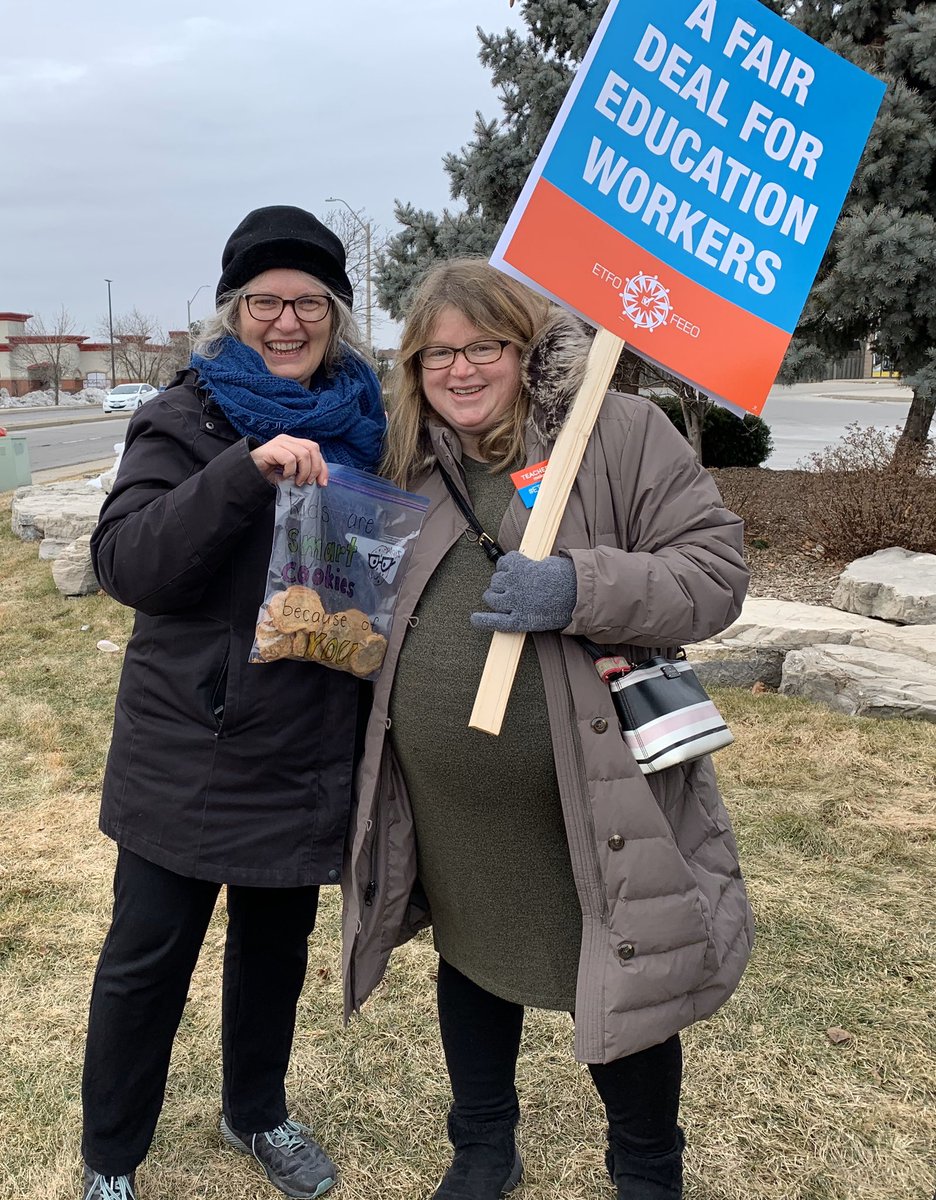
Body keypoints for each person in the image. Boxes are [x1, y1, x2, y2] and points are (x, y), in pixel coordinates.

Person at [342, 258, 754, 1199]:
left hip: (587, 795)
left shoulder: (614, 432)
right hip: (452, 809)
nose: (459, 370)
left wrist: (580, 585)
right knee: (472, 963)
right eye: (435, 354)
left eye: (482, 345)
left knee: (625, 979)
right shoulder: (411, 459)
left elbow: (715, 570)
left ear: (525, 347)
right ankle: (483, 1148)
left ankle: (647, 1168)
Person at [81, 205, 386, 1200]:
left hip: (305, 743)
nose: (286, 321)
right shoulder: (185, 416)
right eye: (266, 301)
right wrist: (242, 473)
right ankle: (112, 1159)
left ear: (336, 316)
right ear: (235, 310)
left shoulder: (370, 425)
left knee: (274, 955)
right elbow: (129, 562)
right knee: (146, 963)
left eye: (309, 302)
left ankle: (256, 1112)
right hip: (191, 744)